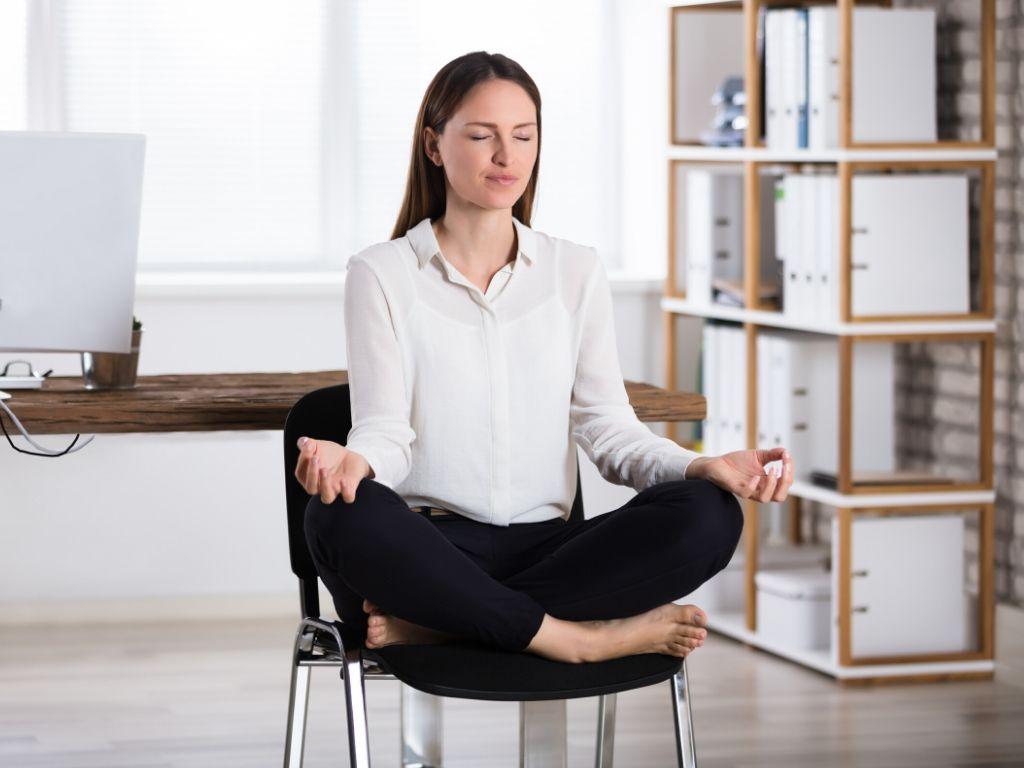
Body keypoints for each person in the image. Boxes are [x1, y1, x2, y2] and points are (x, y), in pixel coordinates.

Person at [297, 51, 794, 665]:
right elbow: (386, 432)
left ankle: (449, 625)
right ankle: (578, 640)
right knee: (337, 518)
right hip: (429, 550)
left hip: (552, 554)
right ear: (434, 144)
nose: (507, 157)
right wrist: (354, 463)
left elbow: (608, 428)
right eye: (482, 136)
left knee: (710, 514)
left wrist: (704, 466)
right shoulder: (381, 272)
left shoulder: (574, 270)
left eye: (523, 136)